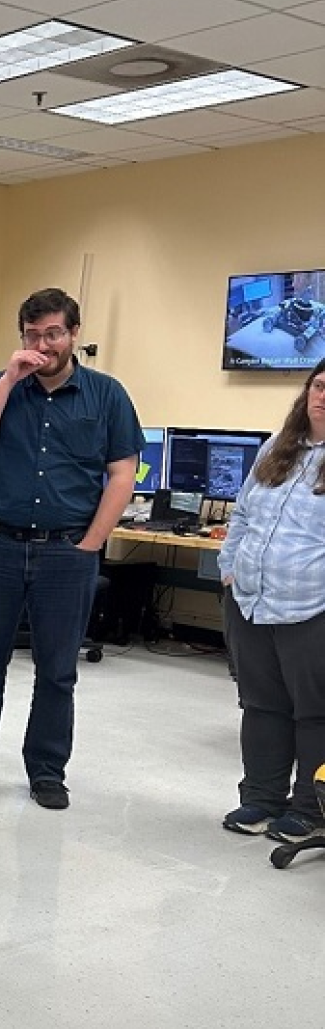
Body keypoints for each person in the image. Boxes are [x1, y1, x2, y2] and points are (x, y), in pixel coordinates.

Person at [0, 288, 142, 810]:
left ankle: (47, 771)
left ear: (73, 333)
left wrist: (93, 542)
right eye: (33, 335)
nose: (43, 345)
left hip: (66, 552)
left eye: (53, 333)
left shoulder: (107, 394)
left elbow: (122, 474)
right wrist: (9, 379)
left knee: (57, 670)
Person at [218, 357, 325, 842]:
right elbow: (241, 517)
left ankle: (309, 809)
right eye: (318, 386)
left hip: (311, 608)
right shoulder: (275, 450)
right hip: (251, 602)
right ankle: (260, 799)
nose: (322, 396)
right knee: (261, 705)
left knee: (314, 711)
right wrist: (228, 568)